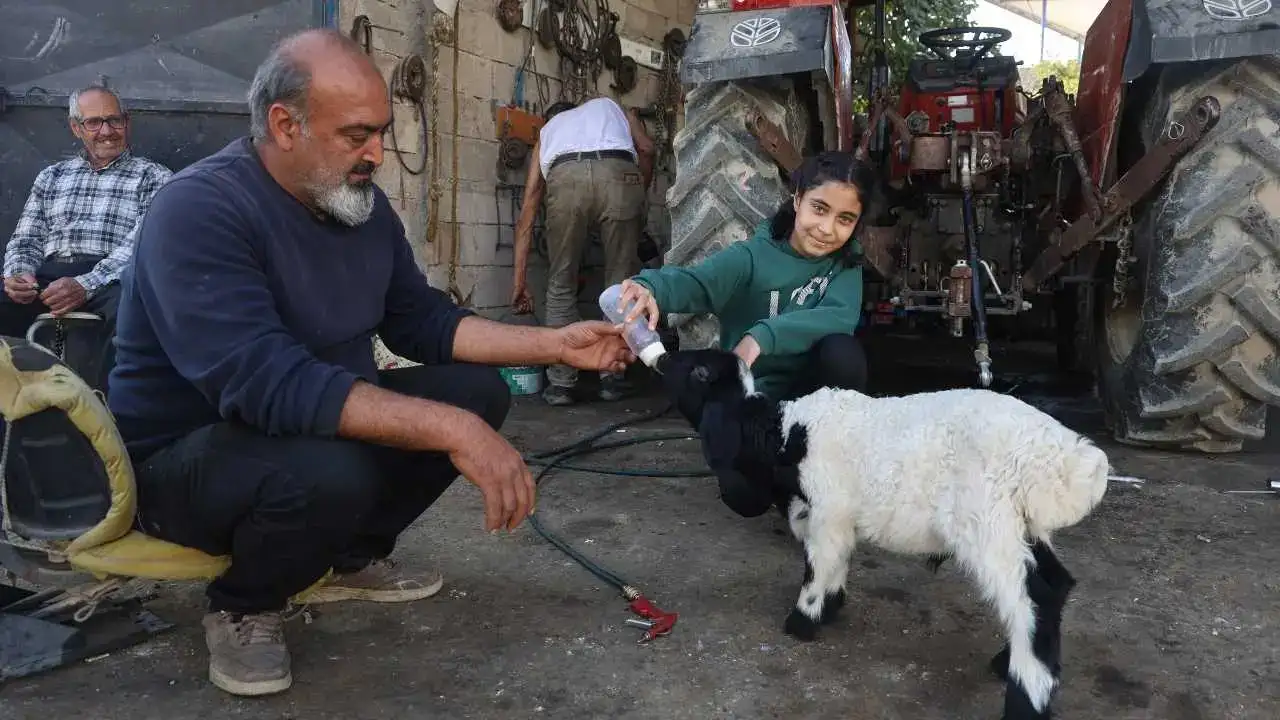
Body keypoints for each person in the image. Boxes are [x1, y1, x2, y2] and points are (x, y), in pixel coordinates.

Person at [107, 29, 634, 698]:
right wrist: (453, 433)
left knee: (474, 394)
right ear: (284, 125)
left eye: (382, 132)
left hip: (294, 428)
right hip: (184, 461)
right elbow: (266, 383)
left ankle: (342, 560)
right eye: (357, 135)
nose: (377, 154)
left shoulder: (357, 205)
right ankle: (245, 602)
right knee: (340, 467)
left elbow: (422, 321)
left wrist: (554, 343)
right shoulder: (201, 209)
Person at [615, 151, 876, 516]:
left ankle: (826, 479)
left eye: (845, 219)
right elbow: (696, 283)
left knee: (843, 354)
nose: (828, 229)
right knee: (746, 498)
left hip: (811, 404)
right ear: (797, 199)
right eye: (819, 209)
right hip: (758, 403)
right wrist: (648, 287)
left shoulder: (845, 264)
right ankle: (783, 483)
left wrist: (761, 336)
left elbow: (839, 317)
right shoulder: (751, 258)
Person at [1, 85, 172, 388]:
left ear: (127, 122)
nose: (106, 131)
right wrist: (18, 274)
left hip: (113, 277)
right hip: (50, 274)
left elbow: (142, 244)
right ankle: (15, 419)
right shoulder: (52, 176)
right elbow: (26, 238)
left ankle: (111, 413)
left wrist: (85, 284)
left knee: (136, 308)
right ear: (76, 128)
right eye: (94, 122)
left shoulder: (153, 177)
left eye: (114, 120)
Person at [510, 96, 654, 406]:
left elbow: (527, 211)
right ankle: (612, 378)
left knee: (561, 282)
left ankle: (561, 384)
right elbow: (647, 149)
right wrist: (638, 198)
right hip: (619, 173)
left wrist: (519, 282)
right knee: (621, 286)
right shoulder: (610, 105)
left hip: (566, 179)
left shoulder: (548, 131)